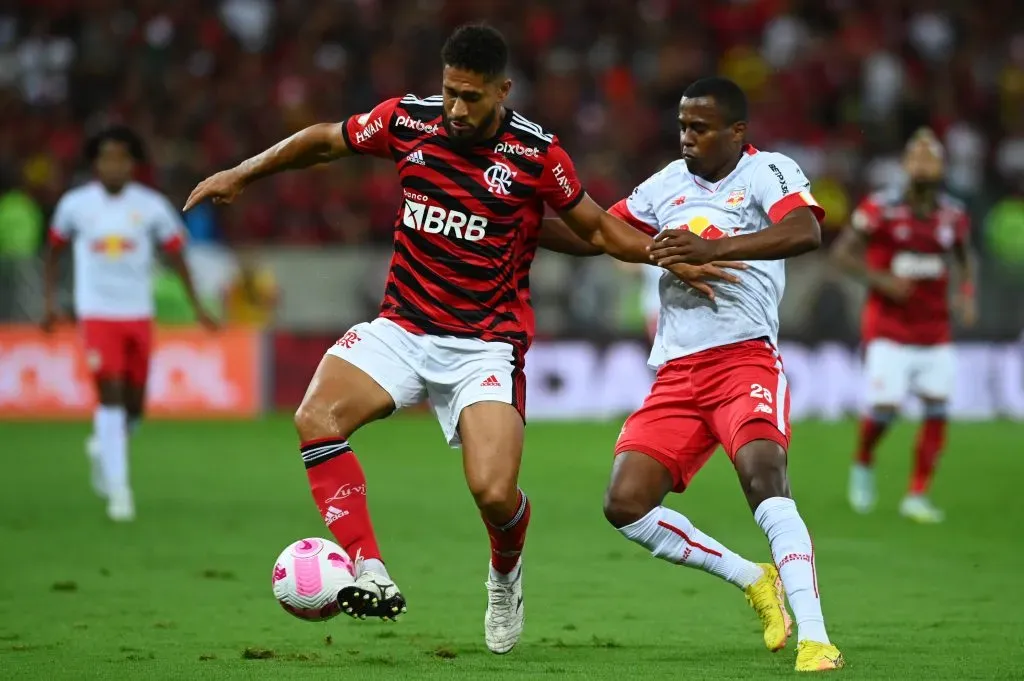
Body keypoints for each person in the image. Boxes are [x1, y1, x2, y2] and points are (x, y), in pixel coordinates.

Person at [183, 24, 741, 653]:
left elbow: (595, 228)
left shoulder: (537, 154)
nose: (455, 108)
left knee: (494, 493)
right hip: (401, 326)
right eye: (450, 92)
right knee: (315, 418)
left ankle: (505, 575)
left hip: (484, 345)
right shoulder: (408, 121)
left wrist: (664, 255)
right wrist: (242, 172)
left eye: (471, 97)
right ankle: (369, 566)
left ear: (502, 90)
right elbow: (324, 140)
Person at [601, 76, 844, 671]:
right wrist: (527, 217)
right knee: (625, 503)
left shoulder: (767, 171)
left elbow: (805, 231)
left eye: (701, 128)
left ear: (737, 132)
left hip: (744, 360)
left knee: (765, 479)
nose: (687, 137)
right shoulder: (665, 184)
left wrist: (712, 250)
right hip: (676, 371)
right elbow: (601, 228)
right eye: (683, 126)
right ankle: (752, 578)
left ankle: (816, 638)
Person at [43, 125, 217, 522]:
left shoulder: (152, 206)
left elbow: (177, 255)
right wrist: (50, 303)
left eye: (121, 158)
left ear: (133, 164)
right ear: (95, 163)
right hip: (96, 313)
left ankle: (103, 446)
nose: (114, 165)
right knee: (110, 395)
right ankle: (119, 491)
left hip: (138, 313)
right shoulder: (75, 205)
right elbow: (53, 251)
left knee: (135, 406)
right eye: (107, 158)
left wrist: (198, 307)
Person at [831, 128, 976, 523]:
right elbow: (842, 254)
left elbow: (965, 258)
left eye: (931, 157)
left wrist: (966, 293)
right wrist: (882, 280)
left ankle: (917, 494)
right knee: (885, 408)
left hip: (935, 331)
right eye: (917, 156)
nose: (924, 164)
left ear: (942, 167)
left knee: (937, 407)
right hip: (888, 329)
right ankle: (864, 460)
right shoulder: (881, 208)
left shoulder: (953, 214)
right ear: (905, 165)